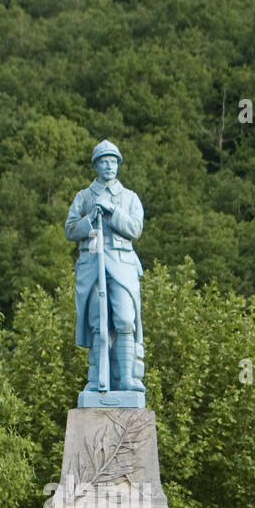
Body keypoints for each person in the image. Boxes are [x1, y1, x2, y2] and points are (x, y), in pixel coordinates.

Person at [65, 140, 145, 394]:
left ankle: (127, 379)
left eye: (113, 161)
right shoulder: (84, 197)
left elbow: (135, 229)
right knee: (97, 323)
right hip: (92, 263)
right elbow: (70, 229)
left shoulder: (129, 197)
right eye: (104, 161)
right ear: (96, 165)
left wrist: (113, 212)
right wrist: (91, 218)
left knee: (124, 320)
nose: (109, 166)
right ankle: (96, 378)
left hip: (122, 265)